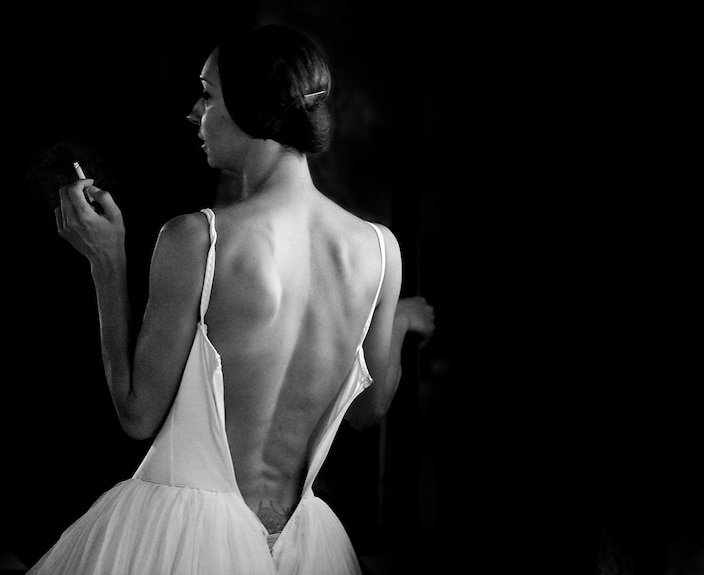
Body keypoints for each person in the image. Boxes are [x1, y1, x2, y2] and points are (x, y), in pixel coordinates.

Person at [29, 24, 434, 575]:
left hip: (188, 540)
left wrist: (107, 259)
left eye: (208, 94)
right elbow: (368, 411)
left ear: (254, 108)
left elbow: (136, 413)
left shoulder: (196, 239)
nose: (195, 112)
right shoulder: (381, 251)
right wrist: (400, 321)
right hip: (302, 546)